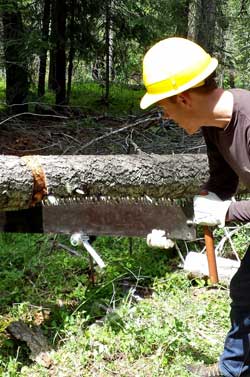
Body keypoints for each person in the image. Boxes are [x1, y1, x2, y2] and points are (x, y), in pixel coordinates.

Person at [140, 37, 250, 377]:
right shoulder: (214, 125)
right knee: (245, 291)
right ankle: (233, 371)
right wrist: (201, 205)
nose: (166, 116)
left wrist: (226, 213)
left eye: (165, 107)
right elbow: (222, 181)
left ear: (184, 98)